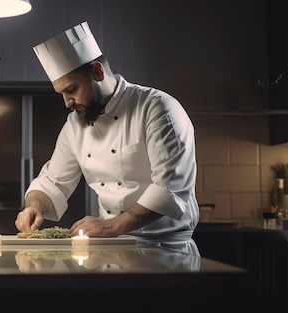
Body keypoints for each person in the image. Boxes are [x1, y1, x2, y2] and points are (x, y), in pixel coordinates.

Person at [14, 21, 200, 255]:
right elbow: (53, 180)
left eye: (71, 90)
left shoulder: (157, 109)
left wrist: (112, 225)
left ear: (98, 72)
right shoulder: (74, 125)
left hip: (167, 250)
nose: (67, 102)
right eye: (61, 93)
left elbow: (168, 188)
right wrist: (33, 206)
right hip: (111, 248)